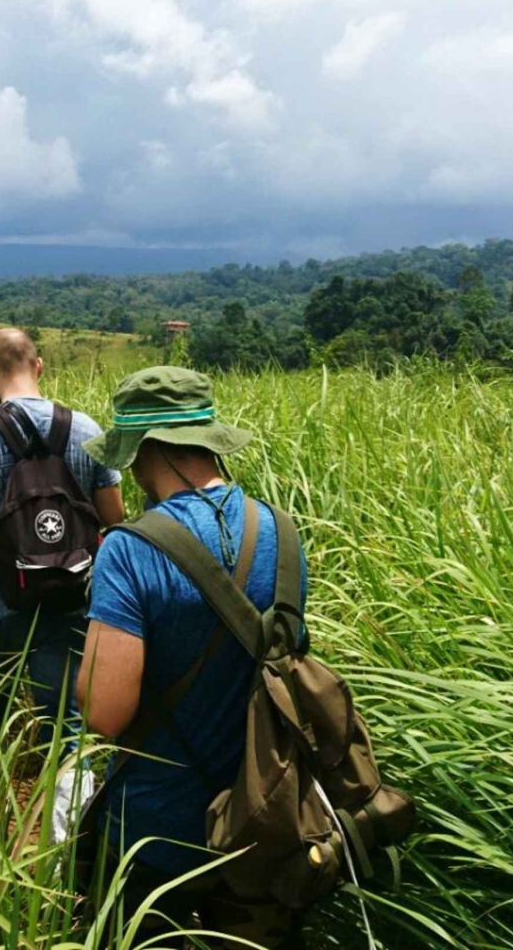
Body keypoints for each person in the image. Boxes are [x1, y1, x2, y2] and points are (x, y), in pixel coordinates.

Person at [74, 366, 310, 948]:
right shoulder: (282, 529)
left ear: (144, 449)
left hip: (156, 827)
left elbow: (106, 714)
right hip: (265, 812)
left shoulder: (129, 551)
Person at [0, 328, 126, 752]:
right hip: (69, 597)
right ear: (39, 366)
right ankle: (66, 811)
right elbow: (114, 516)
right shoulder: (84, 428)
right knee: (64, 725)